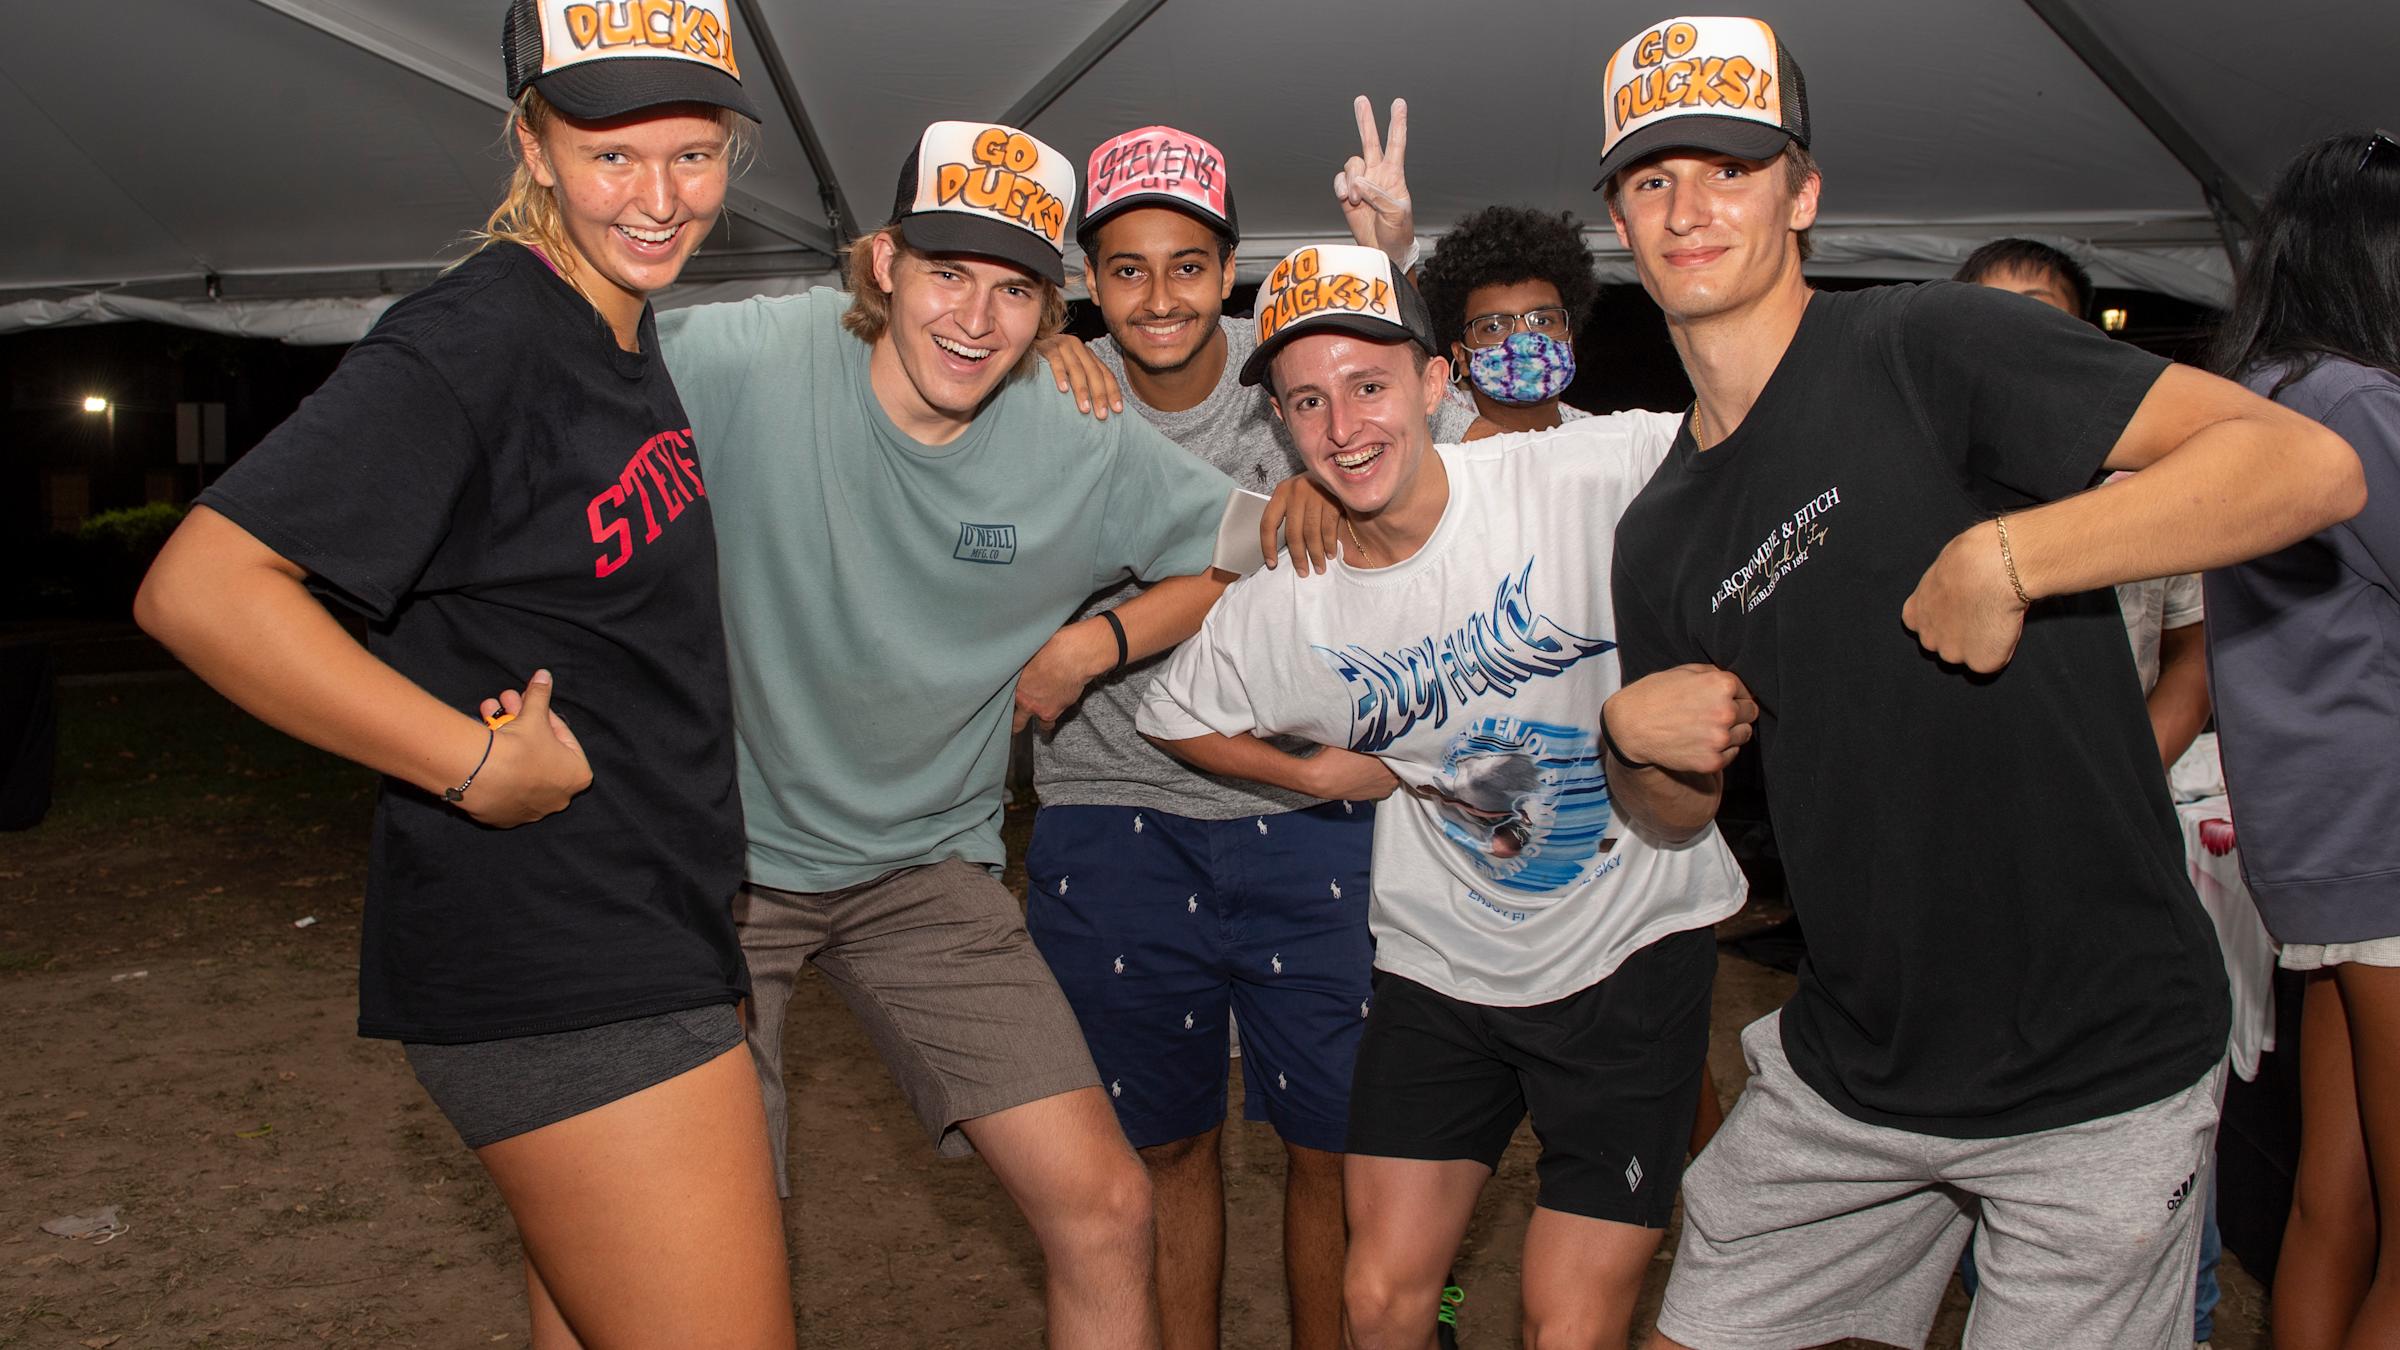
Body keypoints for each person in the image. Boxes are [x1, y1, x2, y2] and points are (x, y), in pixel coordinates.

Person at [1587, 15, 2365, 1349]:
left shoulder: (1929, 347)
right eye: (1654, 178)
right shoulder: (1660, 530)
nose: (1692, 206)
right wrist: (1630, 744)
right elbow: (1673, 815)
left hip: (2099, 1069)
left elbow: (2309, 467)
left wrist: (2017, 551)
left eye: (1730, 166)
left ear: (1804, 192)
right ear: (1617, 216)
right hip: (1857, 1066)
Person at [131, 4, 794, 1343]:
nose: (659, 200)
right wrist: (470, 759)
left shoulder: (611, 323)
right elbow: (200, 587)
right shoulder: (478, 334)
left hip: (644, 925)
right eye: (613, 156)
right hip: (557, 949)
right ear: (534, 144)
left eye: (694, 154)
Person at [655, 119, 1248, 1350]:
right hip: (721, 869)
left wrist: (1103, 641)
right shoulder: (754, 356)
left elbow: (1246, 544)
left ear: (1050, 310)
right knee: (702, 1255)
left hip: (926, 868)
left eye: (1015, 291)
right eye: (948, 275)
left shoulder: (1075, 436)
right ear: (882, 265)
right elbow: (555, 369)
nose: (976, 320)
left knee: (1109, 1205)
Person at [1140, 242, 1752, 1350]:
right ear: (1280, 423)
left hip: (1629, 946)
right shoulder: (1291, 602)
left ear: (1434, 383)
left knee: (1566, 1322)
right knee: (1379, 1301)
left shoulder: (1577, 475)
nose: (1344, 428)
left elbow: (1755, 438)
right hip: (1443, 968)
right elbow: (1175, 713)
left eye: (1371, 386)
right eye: (1309, 403)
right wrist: (1319, 773)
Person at [1021, 117, 1452, 1350]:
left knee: (1336, 1144)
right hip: (1108, 817)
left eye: (1190, 266)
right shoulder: (1049, 387)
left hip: (1308, 818)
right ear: (1086, 280)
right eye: (1125, 270)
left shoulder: (1295, 377)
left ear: (1231, 269)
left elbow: (1449, 441)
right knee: (1159, 1147)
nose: (1158, 298)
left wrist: (1395, 261)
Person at [1956, 236, 2219, 1348]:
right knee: (1980, 1119)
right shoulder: (1914, 491)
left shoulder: (2152, 492)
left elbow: (2193, 663)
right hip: (1970, 863)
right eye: (1990, 324)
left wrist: (2111, 783)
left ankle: (2185, 1315)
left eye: (2044, 323)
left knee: (2142, 1125)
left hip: (2122, 851)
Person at [2205, 128, 2400, 1350]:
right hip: (2388, 842)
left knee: (2338, 1205)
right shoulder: (2361, 404)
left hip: (2315, 854)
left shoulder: (2254, 401)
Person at [1414, 205, 1603, 440]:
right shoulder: (1436, 421)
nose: (1524, 338)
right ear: (1462, 356)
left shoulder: (1596, 436)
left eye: (1542, 320)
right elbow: (1405, 359)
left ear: (1570, 342)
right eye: (1494, 326)